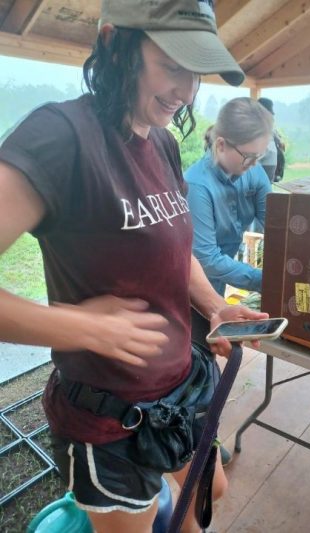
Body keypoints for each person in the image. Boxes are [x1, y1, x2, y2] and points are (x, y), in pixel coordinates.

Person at [0, 2, 270, 532]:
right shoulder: (60, 136)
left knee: (208, 491)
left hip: (181, 386)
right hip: (109, 415)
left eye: (195, 72)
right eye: (171, 64)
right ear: (113, 42)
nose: (186, 91)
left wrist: (213, 306)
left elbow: (173, 249)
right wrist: (85, 327)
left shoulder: (162, 142)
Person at [185, 97, 274, 298]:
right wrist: (266, 280)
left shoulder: (253, 171)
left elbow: (276, 224)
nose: (254, 164)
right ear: (221, 145)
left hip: (223, 274)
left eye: (259, 156)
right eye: (248, 156)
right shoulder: (197, 186)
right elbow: (207, 260)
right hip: (194, 284)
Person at [258, 97, 286, 183]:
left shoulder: (270, 129)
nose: (273, 115)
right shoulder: (257, 130)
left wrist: (279, 140)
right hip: (263, 168)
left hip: (270, 170)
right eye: (270, 113)